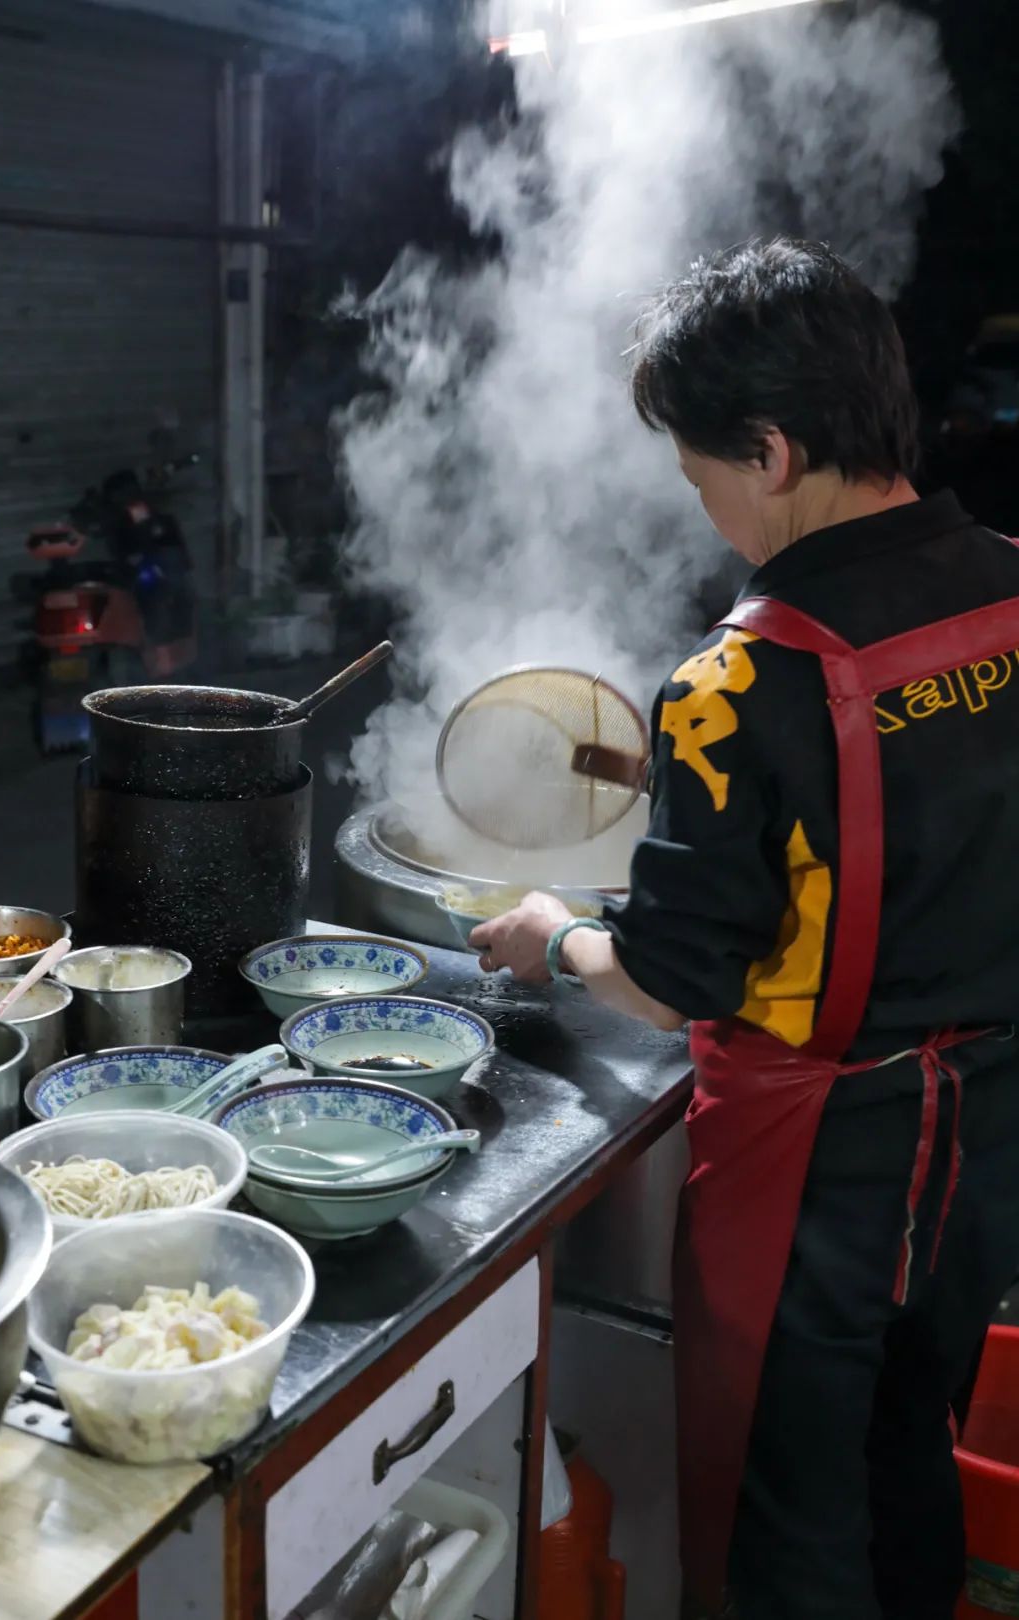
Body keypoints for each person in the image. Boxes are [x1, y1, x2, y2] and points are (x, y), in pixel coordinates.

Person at [470, 237, 1019, 1620]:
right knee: (913, 1437)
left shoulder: (738, 679)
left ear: (769, 451)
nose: (704, 505)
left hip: (816, 1170)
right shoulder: (1010, 581)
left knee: (786, 1506)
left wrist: (554, 934)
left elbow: (666, 977)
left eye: (700, 473)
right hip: (987, 1138)